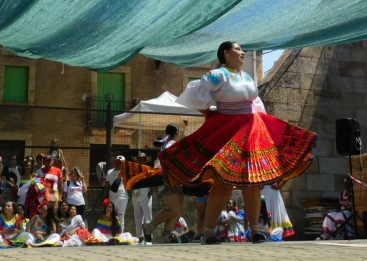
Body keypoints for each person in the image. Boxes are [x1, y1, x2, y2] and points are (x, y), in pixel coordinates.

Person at [160, 41, 317, 244]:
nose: (242, 53)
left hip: (251, 129)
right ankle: (208, 232)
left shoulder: (247, 76)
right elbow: (194, 94)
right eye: (238, 49)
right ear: (226, 53)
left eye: (242, 50)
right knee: (222, 185)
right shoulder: (218, 74)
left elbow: (255, 103)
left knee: (252, 182)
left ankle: (254, 230)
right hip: (227, 130)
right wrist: (211, 115)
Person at [145, 125, 184, 243]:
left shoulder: (167, 145)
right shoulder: (171, 145)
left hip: (174, 180)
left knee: (177, 211)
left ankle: (166, 235)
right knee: (174, 210)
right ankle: (149, 226)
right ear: (177, 132)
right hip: (168, 180)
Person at [129, 152, 153, 244]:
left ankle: (149, 237)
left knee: (148, 217)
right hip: (136, 196)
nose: (140, 160)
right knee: (138, 217)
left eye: (142, 159)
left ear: (145, 160)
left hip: (146, 195)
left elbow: (153, 184)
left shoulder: (149, 170)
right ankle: (140, 237)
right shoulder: (133, 171)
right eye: (138, 159)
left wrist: (149, 195)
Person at [105, 155, 128, 232]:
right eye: (117, 161)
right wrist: (106, 198)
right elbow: (107, 185)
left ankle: (120, 234)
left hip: (123, 197)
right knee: (112, 216)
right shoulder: (109, 172)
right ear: (114, 162)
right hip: (112, 198)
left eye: (120, 162)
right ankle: (111, 233)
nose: (118, 163)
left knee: (121, 217)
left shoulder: (126, 172)